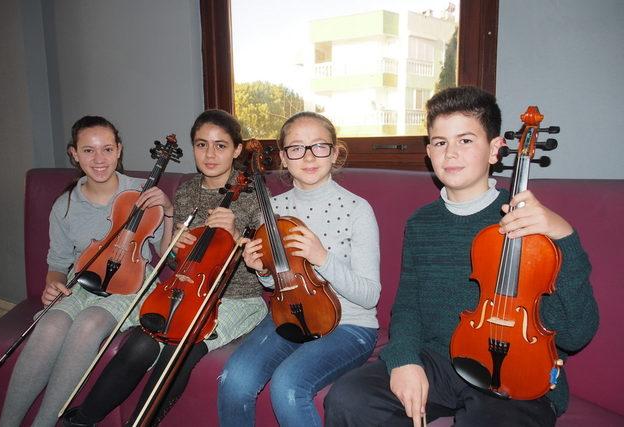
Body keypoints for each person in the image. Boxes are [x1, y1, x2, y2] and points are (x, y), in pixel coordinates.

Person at [323, 86, 599, 427]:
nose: (450, 153)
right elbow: (408, 304)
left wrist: (565, 237)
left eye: (465, 140)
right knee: (349, 398)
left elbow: (576, 334)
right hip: (441, 360)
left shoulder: (532, 225)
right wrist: (404, 360)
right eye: (440, 142)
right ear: (429, 152)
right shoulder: (421, 222)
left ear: (495, 149)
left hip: (517, 371)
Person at [61, 109, 267, 426]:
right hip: (184, 292)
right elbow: (172, 260)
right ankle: (82, 419)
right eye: (201, 145)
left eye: (221, 145)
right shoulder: (186, 191)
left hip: (238, 299)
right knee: (142, 341)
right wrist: (176, 244)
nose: (210, 154)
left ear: (237, 150)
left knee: (183, 347)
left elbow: (267, 264)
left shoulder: (255, 196)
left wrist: (238, 237)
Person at [0, 115, 173, 427]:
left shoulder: (143, 193)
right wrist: (53, 285)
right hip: (83, 282)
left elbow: (169, 254)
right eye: (89, 151)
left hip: (132, 285)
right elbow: (57, 265)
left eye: (107, 149)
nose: (99, 159)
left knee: (89, 324)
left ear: (119, 150)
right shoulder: (65, 205)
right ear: (74, 154)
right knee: (51, 324)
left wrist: (169, 210)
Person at [217, 111, 381, 427]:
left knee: (288, 386)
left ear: (334, 152)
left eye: (319, 146)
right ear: (283, 157)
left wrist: (323, 258)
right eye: (296, 148)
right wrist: (261, 269)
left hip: (350, 325)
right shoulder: (273, 209)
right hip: (289, 315)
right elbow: (277, 283)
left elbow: (369, 296)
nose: (308, 156)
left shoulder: (357, 210)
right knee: (233, 379)